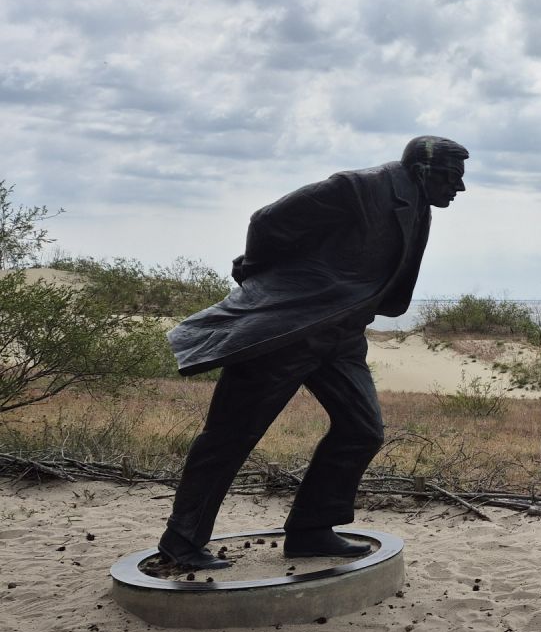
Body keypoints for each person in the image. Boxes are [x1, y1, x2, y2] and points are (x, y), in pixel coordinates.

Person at [158, 136, 469, 570]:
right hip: (289, 329)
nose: (460, 188)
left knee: (362, 429)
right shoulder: (357, 187)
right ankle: (182, 539)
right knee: (231, 435)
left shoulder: (418, 204)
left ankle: (311, 529)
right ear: (423, 170)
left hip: (342, 334)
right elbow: (267, 222)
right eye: (453, 177)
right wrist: (266, 283)